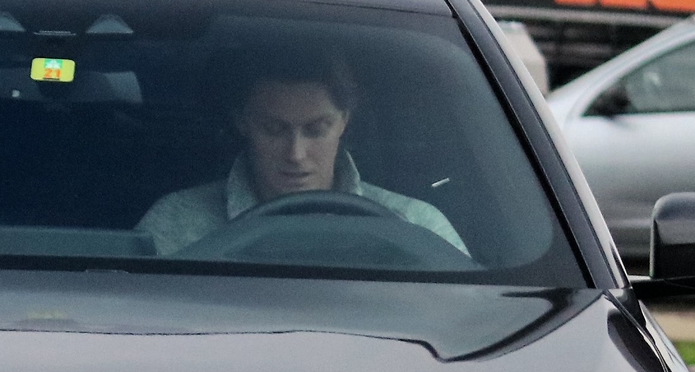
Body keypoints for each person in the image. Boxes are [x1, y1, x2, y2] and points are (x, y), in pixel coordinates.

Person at [135, 48, 468, 258]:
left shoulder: (415, 226)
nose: (295, 154)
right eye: (274, 129)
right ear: (242, 123)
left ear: (343, 123)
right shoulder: (177, 226)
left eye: (315, 129)